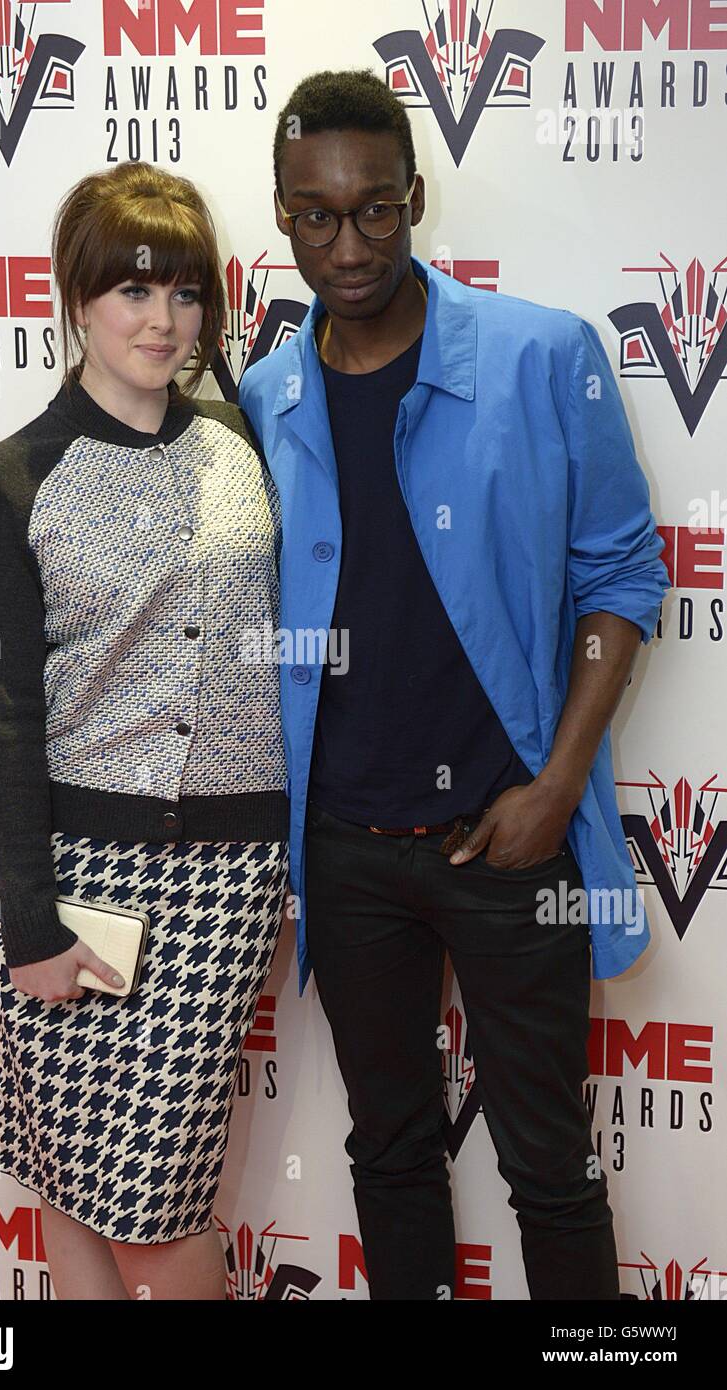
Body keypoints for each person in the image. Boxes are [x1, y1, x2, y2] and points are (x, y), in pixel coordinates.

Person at [238, 69, 671, 1301]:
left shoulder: (540, 353)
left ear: (414, 197)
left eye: (374, 208)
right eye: (314, 215)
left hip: (507, 833)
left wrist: (559, 780)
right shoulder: (266, 397)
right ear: (280, 217)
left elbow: (623, 572)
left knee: (550, 1162)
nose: (347, 241)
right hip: (347, 845)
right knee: (390, 1152)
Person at [0, 161, 289, 1301]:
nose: (164, 321)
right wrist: (31, 921)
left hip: (224, 878)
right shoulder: (9, 479)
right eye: (135, 292)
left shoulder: (246, 447)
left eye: (186, 293)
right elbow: (5, 722)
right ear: (78, 297)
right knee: (67, 1179)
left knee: (158, 1202)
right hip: (77, 876)